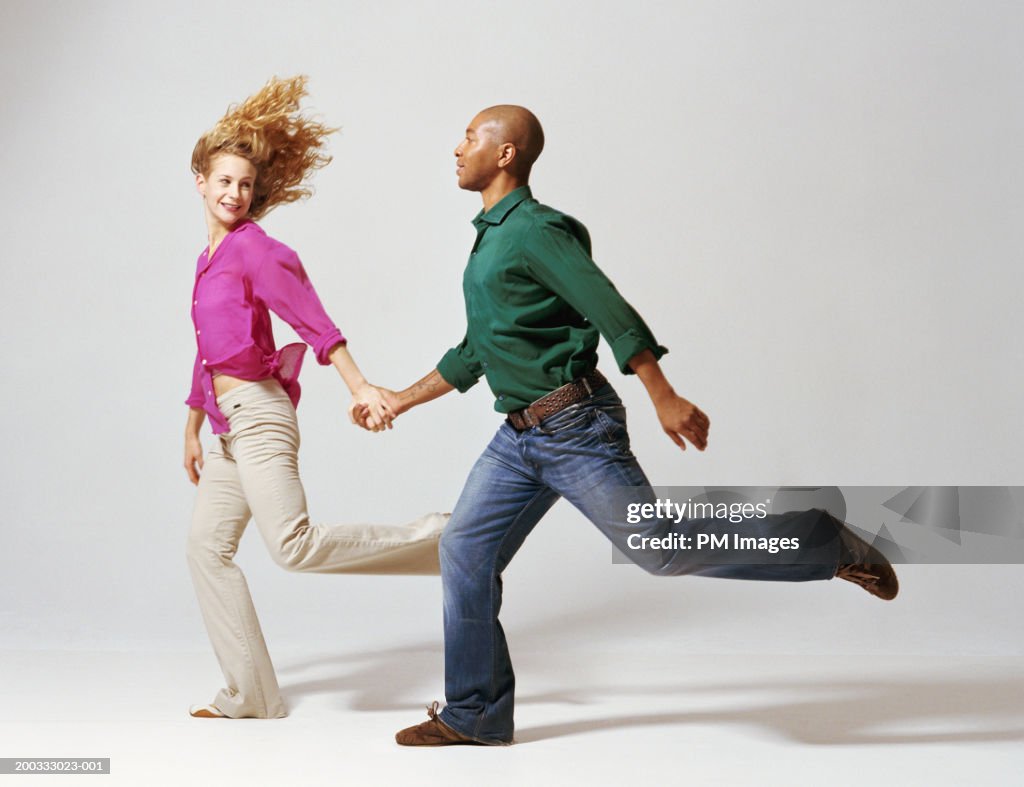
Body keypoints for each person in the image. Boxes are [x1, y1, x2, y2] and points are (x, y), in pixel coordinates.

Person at [360, 105, 898, 746]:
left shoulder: (534, 231)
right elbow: (477, 350)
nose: (456, 147)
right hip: (519, 437)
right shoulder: (491, 238)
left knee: (659, 549)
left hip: (574, 426)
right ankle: (475, 712)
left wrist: (661, 393)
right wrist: (399, 399)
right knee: (465, 551)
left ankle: (822, 542)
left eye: (470, 137)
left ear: (505, 154)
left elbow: (609, 308)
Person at [182, 76, 446, 720]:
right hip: (223, 426)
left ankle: (440, 540)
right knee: (206, 550)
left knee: (291, 545)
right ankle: (253, 695)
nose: (235, 194)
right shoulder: (208, 261)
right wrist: (189, 429)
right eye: (224, 181)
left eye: (245, 185)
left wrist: (361, 385)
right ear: (200, 181)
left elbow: (313, 322)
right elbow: (208, 348)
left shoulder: (257, 251)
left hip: (260, 416)